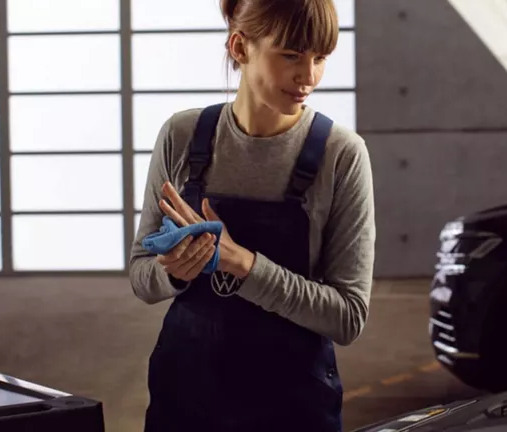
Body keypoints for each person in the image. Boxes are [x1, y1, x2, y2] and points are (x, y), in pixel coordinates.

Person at [128, 0, 376, 430]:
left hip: (293, 407)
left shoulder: (341, 155)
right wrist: (174, 271)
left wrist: (240, 264)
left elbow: (347, 316)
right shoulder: (182, 136)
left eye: (320, 58)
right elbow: (141, 277)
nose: (310, 77)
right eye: (292, 55)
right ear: (240, 47)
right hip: (184, 397)